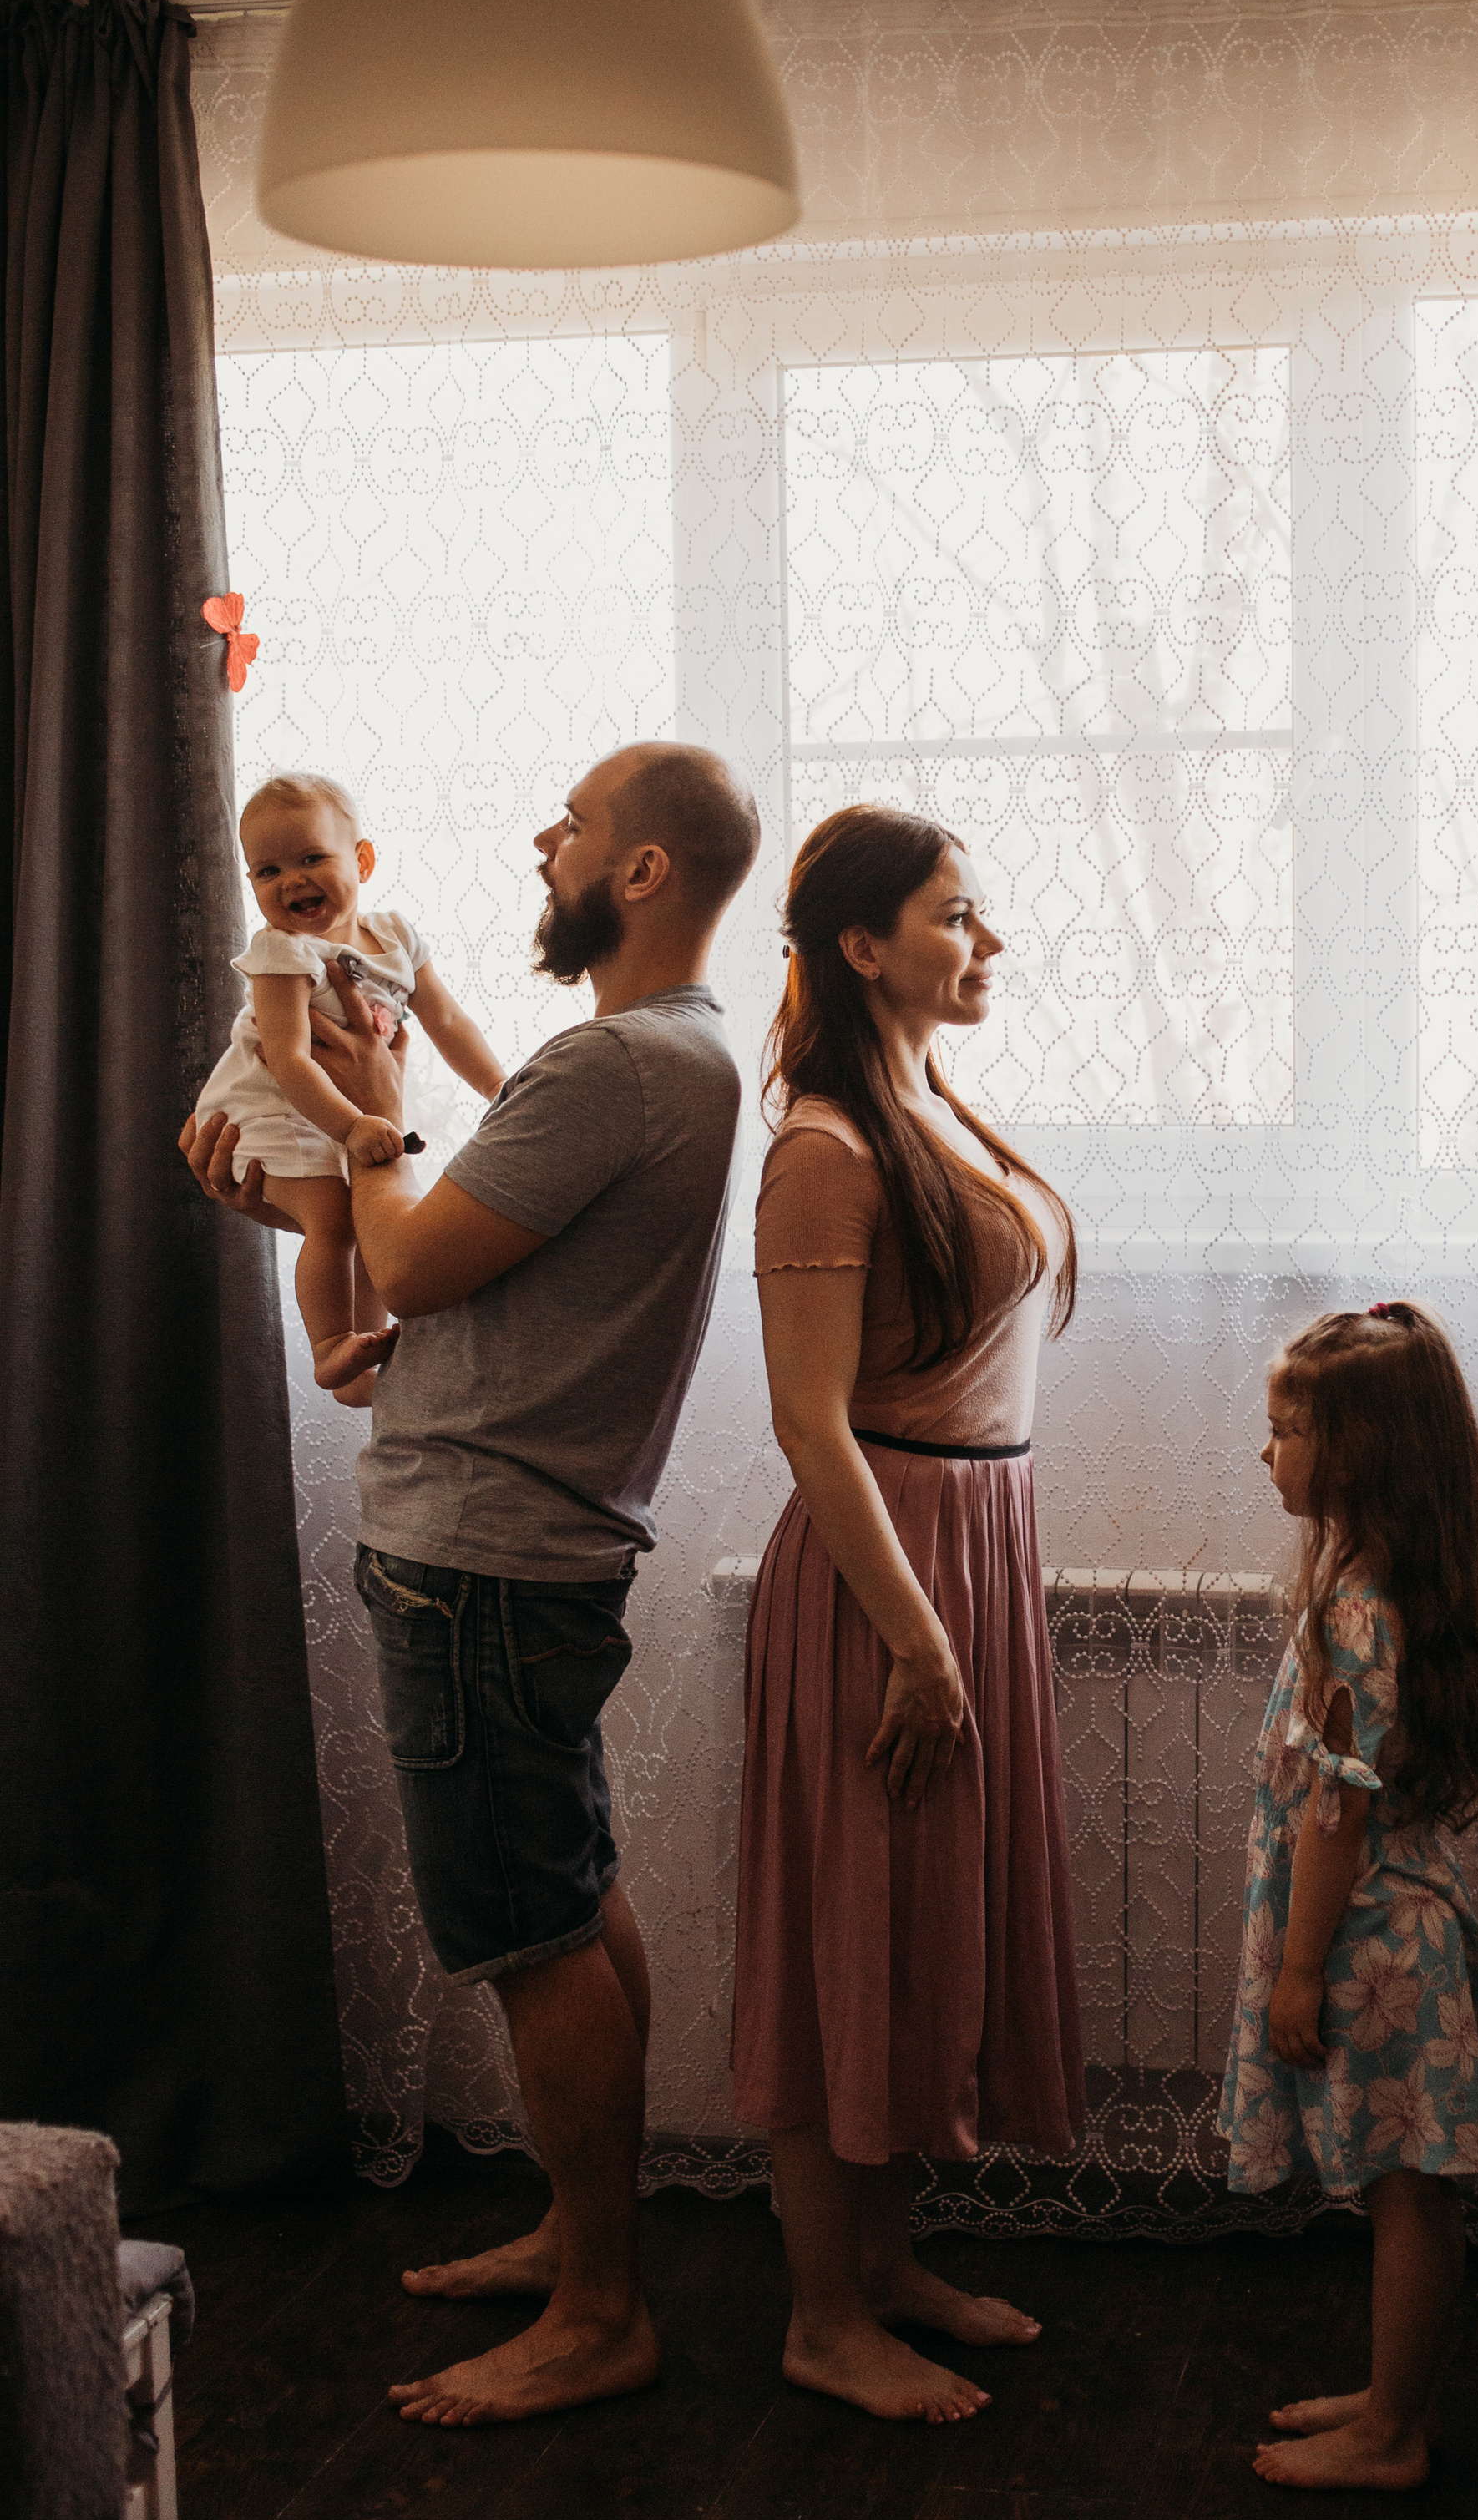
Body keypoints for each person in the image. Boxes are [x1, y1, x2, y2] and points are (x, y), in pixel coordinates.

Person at [179, 742, 761, 2427]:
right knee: (569, 1896)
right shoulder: (676, 1055)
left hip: (483, 1552)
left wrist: (361, 1098)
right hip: (527, 1540)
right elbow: (446, 1264)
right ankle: (589, 2241)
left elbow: (419, 1252)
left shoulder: (613, 1063)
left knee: (529, 1935)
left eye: (573, 822)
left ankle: (598, 2310)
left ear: (640, 871)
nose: (541, 836)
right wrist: (294, 1175)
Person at [731, 807, 1083, 2426]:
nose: (987, 941)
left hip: (965, 1544)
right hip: (886, 1574)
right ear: (862, 944)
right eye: (958, 914)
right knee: (840, 1941)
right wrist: (921, 1635)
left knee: (916, 1925)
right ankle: (820, 2315)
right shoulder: (821, 1143)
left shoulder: (925, 1102)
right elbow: (808, 1423)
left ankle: (885, 2269)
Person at [1221, 1303, 1478, 2490]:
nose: (1266, 1451)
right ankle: (1397, 2396)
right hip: (1407, 1927)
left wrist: (1297, 1967)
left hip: (1370, 1944)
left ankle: (1393, 2433)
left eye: (1286, 1430)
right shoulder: (1395, 1585)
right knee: (1411, 2184)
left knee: (1404, 2191)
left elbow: (1336, 1812)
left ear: (1359, 1451)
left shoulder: (1353, 1612)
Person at [194, 772, 504, 1404]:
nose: (291, 881)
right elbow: (287, 1059)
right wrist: (353, 1126)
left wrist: (502, 1087)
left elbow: (447, 1021)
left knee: (376, 1220)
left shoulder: (394, 938)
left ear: (361, 860)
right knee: (333, 1216)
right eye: (267, 871)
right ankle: (333, 1344)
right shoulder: (283, 953)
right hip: (268, 1110)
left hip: (340, 1108)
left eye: (312, 858)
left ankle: (366, 1349)